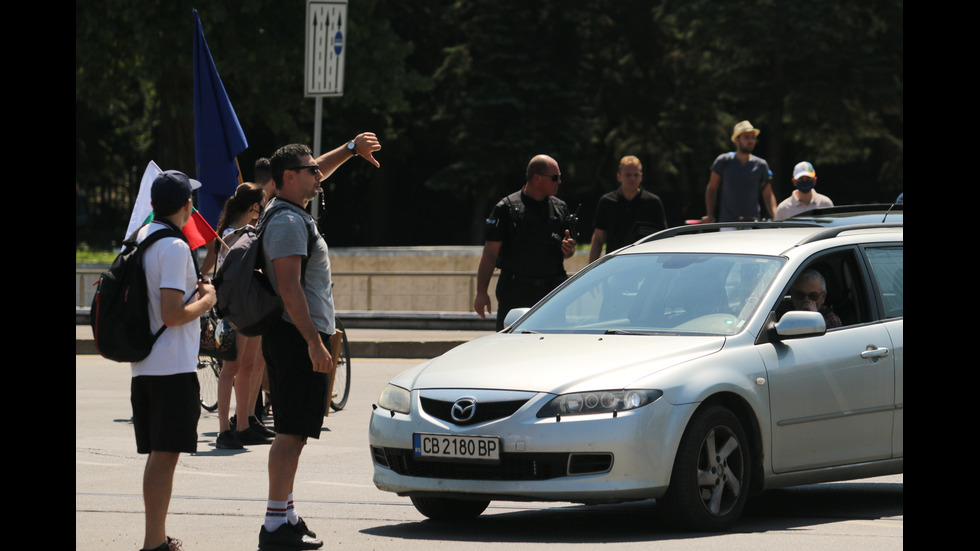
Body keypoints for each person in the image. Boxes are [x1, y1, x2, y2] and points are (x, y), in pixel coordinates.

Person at [258, 134, 381, 550]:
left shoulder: (288, 208)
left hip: (297, 335)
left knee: (298, 430)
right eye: (311, 171)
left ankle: (286, 515)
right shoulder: (289, 221)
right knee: (290, 432)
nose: (318, 176)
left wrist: (349, 150)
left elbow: (318, 169)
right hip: (296, 338)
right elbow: (291, 288)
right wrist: (314, 342)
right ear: (289, 177)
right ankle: (274, 526)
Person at [132, 170, 216, 551]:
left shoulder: (142, 238)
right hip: (172, 367)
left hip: (146, 364)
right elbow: (172, 313)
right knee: (165, 457)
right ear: (187, 205)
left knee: (158, 455)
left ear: (153, 205)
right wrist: (207, 300)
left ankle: (156, 538)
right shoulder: (175, 246)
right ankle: (154, 544)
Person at [474, 154, 577, 331]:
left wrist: (569, 249)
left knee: (554, 347)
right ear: (537, 178)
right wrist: (481, 293)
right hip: (516, 290)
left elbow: (568, 251)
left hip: (551, 291)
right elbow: (490, 252)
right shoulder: (506, 208)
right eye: (555, 177)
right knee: (510, 346)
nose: (559, 181)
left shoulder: (560, 208)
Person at [213, 183, 276, 449]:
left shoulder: (247, 232)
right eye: (261, 205)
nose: (262, 210)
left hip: (249, 307)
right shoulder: (229, 235)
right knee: (231, 369)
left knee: (249, 366)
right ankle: (224, 430)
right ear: (253, 207)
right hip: (233, 309)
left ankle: (245, 422)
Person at [588, 155, 668, 262]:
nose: (632, 178)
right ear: (619, 176)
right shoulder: (607, 202)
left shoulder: (653, 202)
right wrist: (591, 269)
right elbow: (598, 238)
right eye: (628, 175)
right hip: (615, 263)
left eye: (636, 175)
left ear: (641, 176)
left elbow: (663, 237)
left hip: (646, 263)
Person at [702, 120, 777, 223]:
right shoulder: (723, 161)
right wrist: (710, 214)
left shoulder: (761, 165)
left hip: (753, 224)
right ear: (737, 140)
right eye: (746, 137)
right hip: (727, 224)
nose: (750, 141)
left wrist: (776, 216)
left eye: (753, 137)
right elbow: (712, 188)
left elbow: (768, 194)